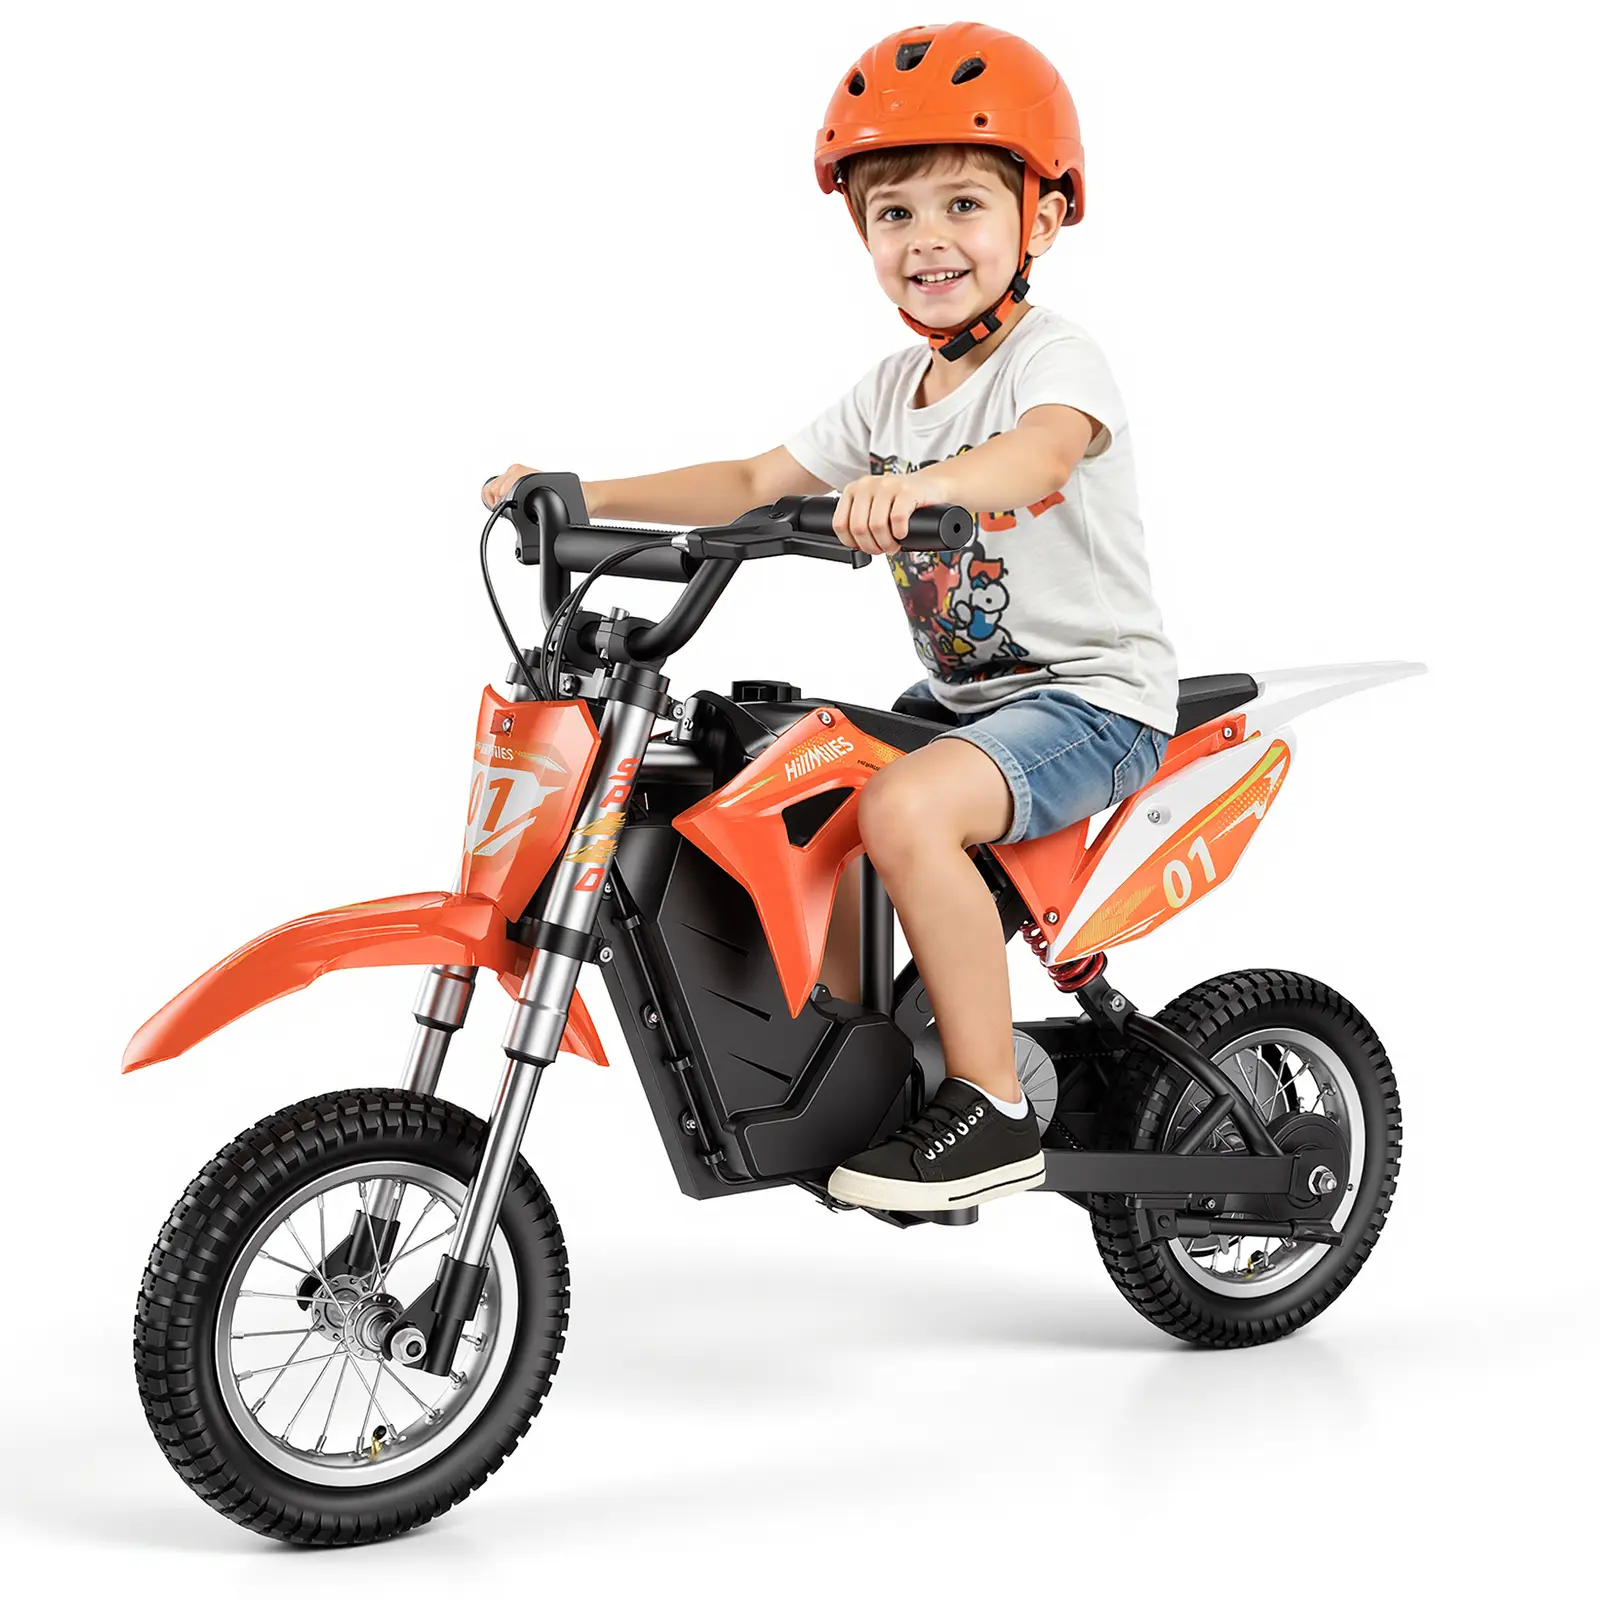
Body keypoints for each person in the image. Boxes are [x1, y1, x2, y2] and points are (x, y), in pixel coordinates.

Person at [483, 21, 1178, 1212]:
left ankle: (994, 1107)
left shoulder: (1054, 362)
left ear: (1044, 218)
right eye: (893, 213)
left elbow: (1037, 455)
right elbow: (755, 480)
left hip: (1090, 701)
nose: (927, 239)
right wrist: (582, 495)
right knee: (784, 777)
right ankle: (861, 1061)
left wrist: (923, 488)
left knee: (903, 807)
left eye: (964, 204)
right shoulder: (891, 390)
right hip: (964, 702)